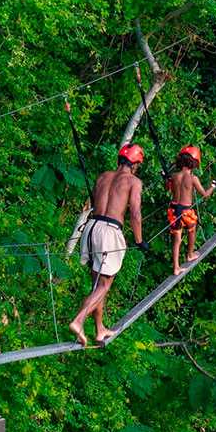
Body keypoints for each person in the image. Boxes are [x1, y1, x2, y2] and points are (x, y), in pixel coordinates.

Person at [69, 143, 149, 347]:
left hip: (91, 228)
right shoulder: (134, 181)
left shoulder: (103, 176)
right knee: (105, 286)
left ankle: (99, 329)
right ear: (136, 163)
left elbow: (97, 200)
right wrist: (139, 241)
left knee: (97, 285)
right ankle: (79, 320)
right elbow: (135, 213)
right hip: (108, 232)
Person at [167, 145, 216, 276]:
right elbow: (205, 195)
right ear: (194, 164)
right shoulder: (193, 178)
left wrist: (166, 179)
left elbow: (168, 188)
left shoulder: (174, 176)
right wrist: (213, 186)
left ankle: (176, 267)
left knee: (177, 239)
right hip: (186, 211)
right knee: (192, 229)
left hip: (173, 210)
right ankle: (190, 254)